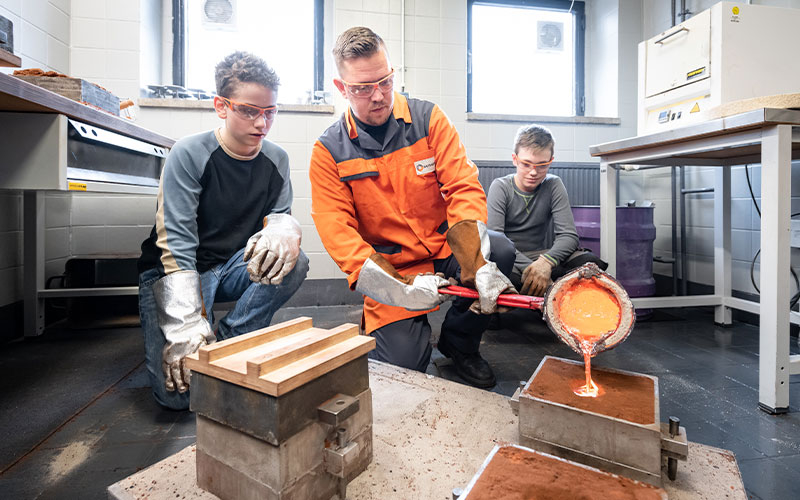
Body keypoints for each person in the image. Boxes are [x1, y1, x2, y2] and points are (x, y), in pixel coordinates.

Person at [309, 27, 516, 389]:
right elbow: (338, 232)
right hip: (394, 268)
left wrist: (476, 263)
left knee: (499, 250)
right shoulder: (328, 151)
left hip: (444, 248)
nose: (378, 96)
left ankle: (460, 343)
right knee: (403, 374)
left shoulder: (429, 120)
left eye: (385, 81)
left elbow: (462, 188)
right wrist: (401, 289)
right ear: (341, 88)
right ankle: (391, 331)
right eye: (362, 88)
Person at [137, 52, 309, 410]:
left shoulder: (276, 159)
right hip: (177, 270)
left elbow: (279, 215)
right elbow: (176, 241)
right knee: (177, 398)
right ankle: (199, 337)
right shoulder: (189, 153)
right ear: (221, 106)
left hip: (229, 266)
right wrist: (184, 324)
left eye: (270, 112)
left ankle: (230, 339)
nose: (262, 122)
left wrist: (283, 228)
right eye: (249, 110)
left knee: (297, 260)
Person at [487, 124, 606, 298]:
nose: (533, 172)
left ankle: (545, 293)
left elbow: (569, 236)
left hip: (541, 257)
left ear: (551, 161)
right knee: (499, 273)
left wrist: (545, 263)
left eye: (542, 165)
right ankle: (548, 293)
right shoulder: (500, 186)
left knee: (589, 262)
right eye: (526, 164)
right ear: (515, 159)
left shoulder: (553, 185)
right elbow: (496, 241)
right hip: (511, 261)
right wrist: (535, 271)